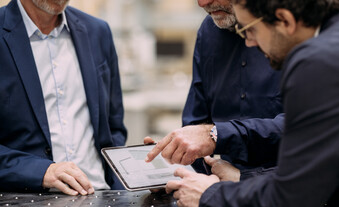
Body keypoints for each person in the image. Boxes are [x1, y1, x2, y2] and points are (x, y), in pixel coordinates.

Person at [164, 0, 339, 207]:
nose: (248, 42)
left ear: (285, 20)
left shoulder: (316, 60)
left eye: (251, 29)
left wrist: (209, 194)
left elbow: (290, 202)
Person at [145, 0, 284, 180]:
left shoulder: (293, 33)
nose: (203, 3)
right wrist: (171, 164)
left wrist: (216, 136)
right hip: (222, 188)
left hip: (289, 189)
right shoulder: (209, 30)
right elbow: (196, 123)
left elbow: (308, 128)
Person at [0, 0, 127, 195]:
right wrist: (41, 171)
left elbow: (113, 127)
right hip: (26, 203)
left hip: (102, 196)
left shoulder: (98, 32)